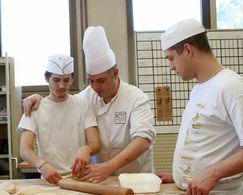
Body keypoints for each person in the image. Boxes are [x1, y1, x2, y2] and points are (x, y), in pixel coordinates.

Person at [157, 19, 243, 195]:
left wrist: (212, 174)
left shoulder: (233, 87)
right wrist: (181, 176)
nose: (171, 67)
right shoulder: (199, 89)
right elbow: (208, 143)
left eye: (171, 58)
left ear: (188, 50)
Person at [23, 26, 156, 183]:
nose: (95, 87)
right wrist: (38, 97)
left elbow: (142, 141)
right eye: (91, 81)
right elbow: (62, 100)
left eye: (101, 81)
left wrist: (108, 166)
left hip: (136, 179)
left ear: (115, 74)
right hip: (99, 180)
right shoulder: (86, 97)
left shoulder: (135, 98)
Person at [17, 54, 100, 184]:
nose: (61, 86)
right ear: (46, 78)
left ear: (72, 79)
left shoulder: (83, 105)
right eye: (56, 80)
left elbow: (95, 144)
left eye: (66, 80)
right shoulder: (35, 108)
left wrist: (87, 149)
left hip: (81, 179)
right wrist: (41, 165)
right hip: (50, 179)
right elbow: (24, 149)